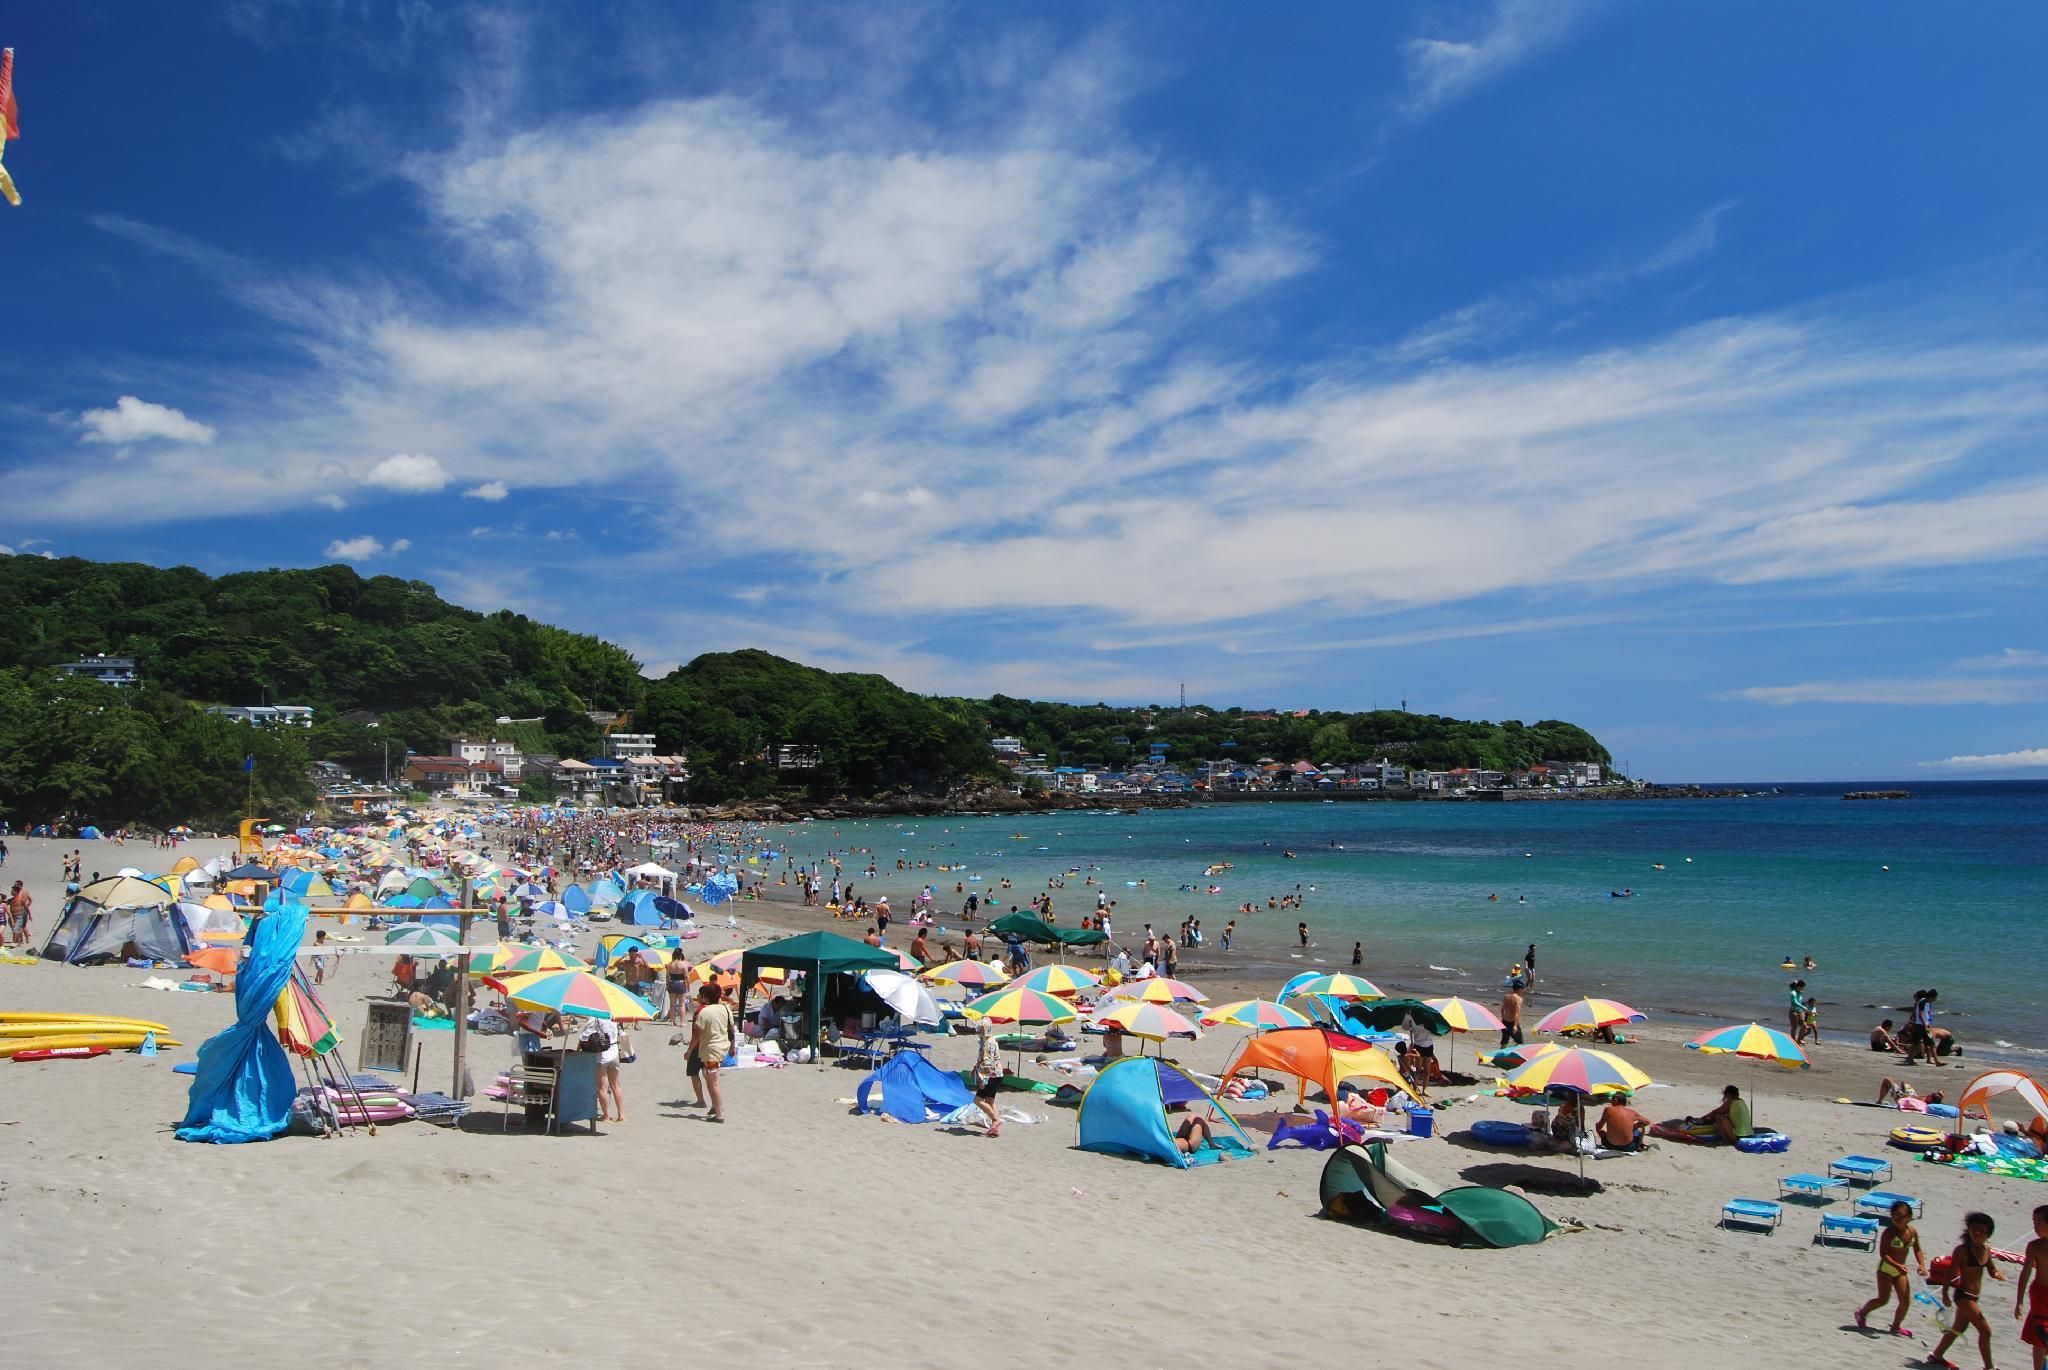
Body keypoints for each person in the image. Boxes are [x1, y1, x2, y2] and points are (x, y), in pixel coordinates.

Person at [1930, 1211, 2004, 1370]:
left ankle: (1936, 1356)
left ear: (1988, 1234)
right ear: (1968, 1228)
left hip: (1974, 1297)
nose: (1977, 1233)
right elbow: (1950, 1273)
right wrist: (1945, 1294)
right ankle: (1989, 1367)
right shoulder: (1962, 1250)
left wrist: (1997, 1275)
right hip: (1964, 1296)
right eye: (1974, 1229)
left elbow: (1991, 1270)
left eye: (1982, 1231)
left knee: (1958, 1328)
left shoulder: (1986, 1250)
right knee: (1985, 1331)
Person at [1853, 1198, 1926, 1337]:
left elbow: (1917, 1249)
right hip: (1886, 1270)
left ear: (1909, 1217)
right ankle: (1861, 1313)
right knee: (1883, 1300)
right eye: (1894, 1215)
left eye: (1900, 1215)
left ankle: (1896, 1327)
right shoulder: (1889, 1233)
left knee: (1905, 1301)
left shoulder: (1912, 1232)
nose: (1896, 1218)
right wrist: (1898, 1265)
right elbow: (1884, 1254)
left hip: (1900, 1271)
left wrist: (1921, 1265)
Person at [689, 983, 734, 1122]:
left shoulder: (704, 1012)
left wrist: (689, 1050)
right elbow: (731, 1030)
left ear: (705, 997)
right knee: (710, 1079)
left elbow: (697, 1035)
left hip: (711, 1050)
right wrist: (733, 1046)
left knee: (713, 1083)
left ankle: (719, 1113)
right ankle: (715, 1107)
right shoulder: (726, 1009)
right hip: (723, 1047)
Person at [2015, 1204, 2048, 1370]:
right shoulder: (2034, 1246)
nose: (2034, 1227)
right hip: (2039, 1294)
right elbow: (2025, 1274)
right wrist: (2019, 1301)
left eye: (2038, 1223)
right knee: (2040, 1334)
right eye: (2033, 1222)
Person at [592, 1014, 624, 1123]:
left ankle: (606, 1115)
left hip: (602, 1054)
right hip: (614, 1051)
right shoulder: (614, 1016)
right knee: (616, 1085)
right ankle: (621, 1114)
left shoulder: (595, 1017)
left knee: (602, 1088)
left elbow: (585, 1035)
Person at [664, 954, 693, 1025]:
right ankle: (682, 1022)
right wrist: (688, 985)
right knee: (682, 1004)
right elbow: (686, 976)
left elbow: (667, 976)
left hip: (672, 983)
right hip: (681, 984)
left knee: (672, 1004)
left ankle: (672, 1021)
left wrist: (667, 985)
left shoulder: (670, 965)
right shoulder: (683, 964)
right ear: (680, 956)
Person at [1499, 982, 1525, 1048]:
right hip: (1512, 1023)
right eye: (1522, 989)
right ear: (1520, 989)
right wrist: (1515, 1025)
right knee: (1520, 1042)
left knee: (1505, 1040)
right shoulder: (1518, 999)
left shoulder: (1506, 996)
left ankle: (1501, 1052)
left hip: (1504, 1021)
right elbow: (1517, 1012)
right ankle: (1514, 1053)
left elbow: (1502, 1009)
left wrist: (1503, 1019)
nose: (1523, 991)